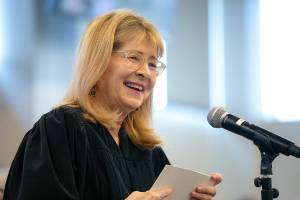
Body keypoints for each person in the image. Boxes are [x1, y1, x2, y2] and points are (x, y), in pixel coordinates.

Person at [3, 9, 222, 200]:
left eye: (153, 64)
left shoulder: (149, 153)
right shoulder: (61, 128)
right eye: (134, 57)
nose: (145, 72)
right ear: (98, 61)